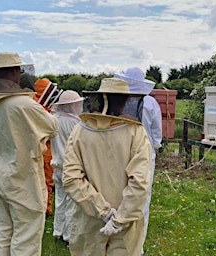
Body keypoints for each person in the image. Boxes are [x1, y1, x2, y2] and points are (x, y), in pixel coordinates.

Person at [0, 52, 58, 255]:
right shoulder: (24, 105)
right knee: (26, 238)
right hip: (22, 178)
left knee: (3, 235)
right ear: (15, 71)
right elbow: (53, 126)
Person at [63, 77, 152, 255]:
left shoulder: (79, 131)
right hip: (124, 223)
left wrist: (103, 211)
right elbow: (140, 182)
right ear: (126, 101)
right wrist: (119, 218)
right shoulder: (136, 132)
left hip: (89, 218)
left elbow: (72, 179)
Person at [115, 67, 162, 254]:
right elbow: (157, 134)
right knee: (142, 196)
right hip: (145, 153)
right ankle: (137, 246)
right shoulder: (150, 103)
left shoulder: (118, 99)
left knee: (120, 192)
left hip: (120, 151)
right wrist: (154, 147)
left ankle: (119, 235)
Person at [49, 90, 84, 244]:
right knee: (72, 203)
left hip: (57, 166)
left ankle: (58, 231)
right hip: (71, 168)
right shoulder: (76, 124)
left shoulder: (53, 119)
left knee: (60, 201)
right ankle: (68, 236)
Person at [34, 78, 62, 216]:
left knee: (44, 180)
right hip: (44, 150)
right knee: (46, 181)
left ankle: (45, 206)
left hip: (44, 149)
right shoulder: (39, 110)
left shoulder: (38, 108)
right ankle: (46, 208)